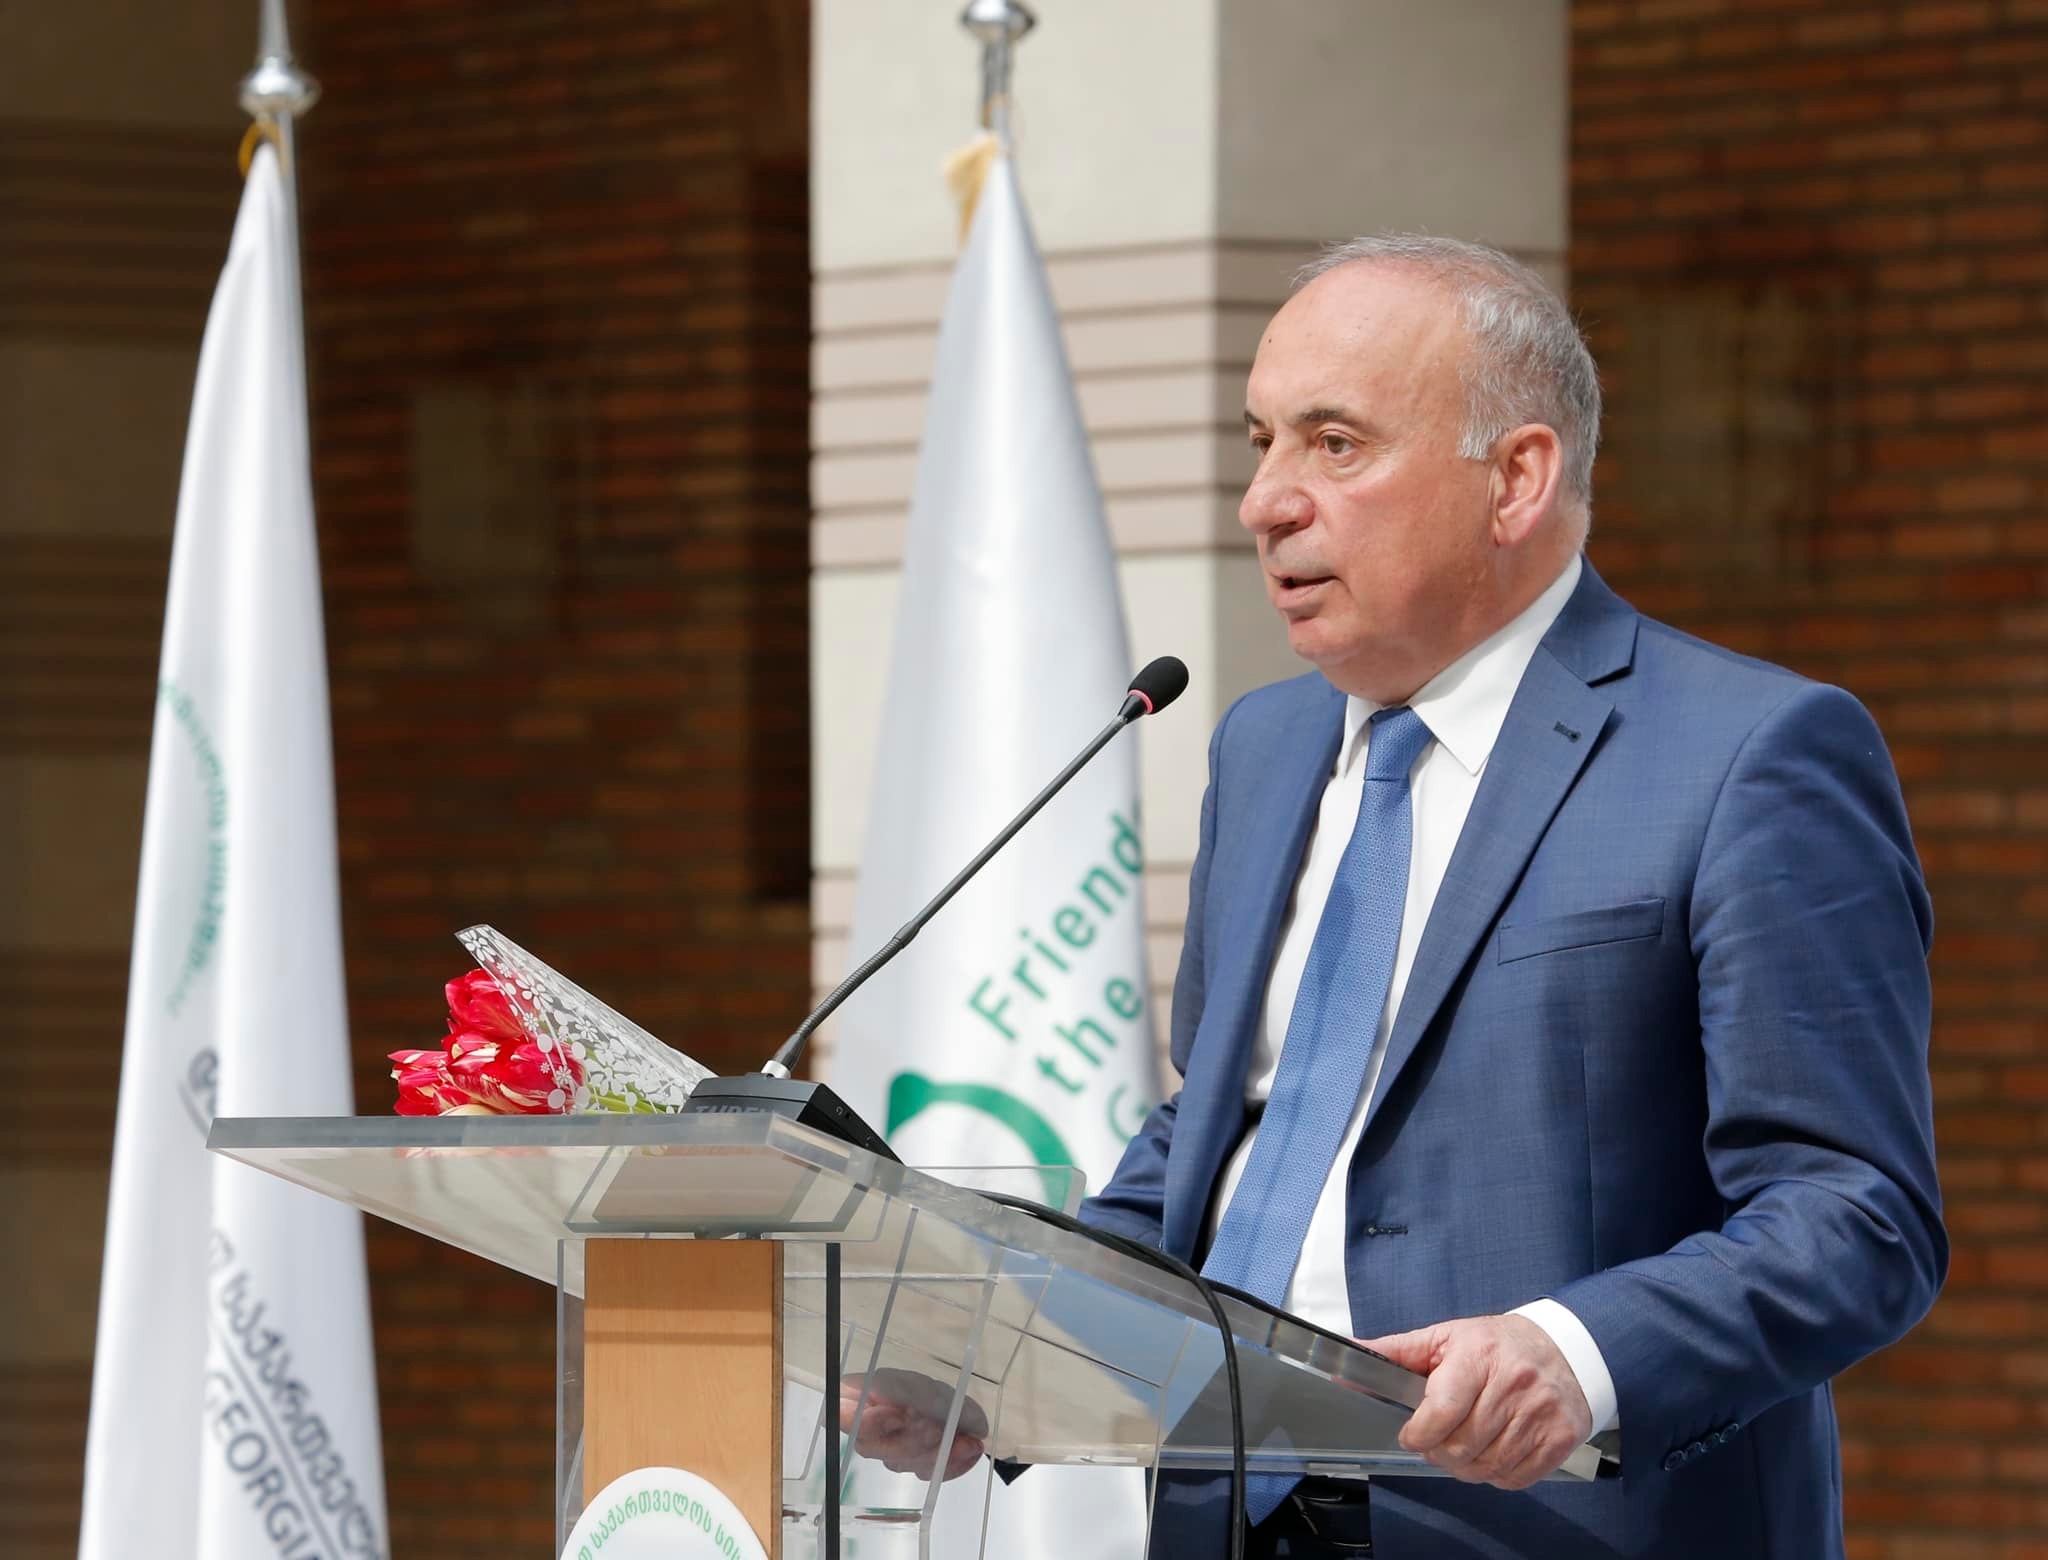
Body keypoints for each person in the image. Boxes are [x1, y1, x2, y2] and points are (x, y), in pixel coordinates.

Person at [852, 234, 1946, 1559]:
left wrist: (1579, 1351)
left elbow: (1857, 1216)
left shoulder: (1748, 756)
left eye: (1334, 444)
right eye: (1259, 442)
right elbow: (1219, 1147)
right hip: (1223, 1518)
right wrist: (991, 1348)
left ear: (1516, 479)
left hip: (1555, 1526)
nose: (1266, 501)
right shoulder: (1262, 750)